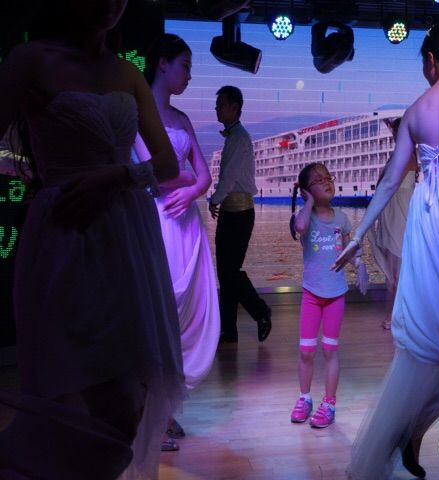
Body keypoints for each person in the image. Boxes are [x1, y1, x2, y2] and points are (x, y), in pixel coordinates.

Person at [0, 1, 185, 479]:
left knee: (129, 395)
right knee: (67, 383)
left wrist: (118, 177)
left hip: (128, 235)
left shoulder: (128, 73)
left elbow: (167, 164)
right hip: (67, 228)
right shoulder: (32, 60)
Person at [332, 24, 439, 479]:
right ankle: (416, 433)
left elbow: (390, 182)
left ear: (431, 59)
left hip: (430, 221)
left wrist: (356, 236)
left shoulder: (414, 111)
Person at [133, 33, 220, 451]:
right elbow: (156, 172)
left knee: (182, 317)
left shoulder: (182, 119)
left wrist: (190, 188)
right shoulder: (138, 114)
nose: (188, 74)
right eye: (185, 65)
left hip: (184, 222)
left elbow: (204, 176)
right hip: (156, 220)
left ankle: (164, 410)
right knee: (157, 314)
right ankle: (150, 415)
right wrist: (184, 181)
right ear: (163, 64)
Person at [288, 162, 367, 428]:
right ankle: (304, 398)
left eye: (328, 177)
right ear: (306, 190)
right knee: (306, 351)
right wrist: (308, 202)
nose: (326, 182)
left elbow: (347, 250)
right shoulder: (303, 217)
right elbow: (300, 228)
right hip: (311, 294)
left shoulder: (342, 218)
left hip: (335, 294)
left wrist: (359, 264)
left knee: (330, 349)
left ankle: (329, 403)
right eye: (318, 180)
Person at [208, 85, 271, 344]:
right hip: (233, 212)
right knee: (226, 272)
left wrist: (214, 199)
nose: (216, 109)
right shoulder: (234, 137)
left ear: (234, 108)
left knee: (230, 271)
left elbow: (230, 177)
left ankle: (260, 311)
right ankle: (229, 329)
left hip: (239, 213)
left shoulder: (239, 138)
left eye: (220, 105)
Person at [367, 117, 418, 330]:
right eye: (395, 132)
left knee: (398, 270)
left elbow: (388, 184)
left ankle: (398, 315)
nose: (396, 136)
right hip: (393, 214)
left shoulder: (406, 156)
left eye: (399, 131)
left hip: (400, 216)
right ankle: (401, 314)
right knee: (396, 270)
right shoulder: (400, 155)